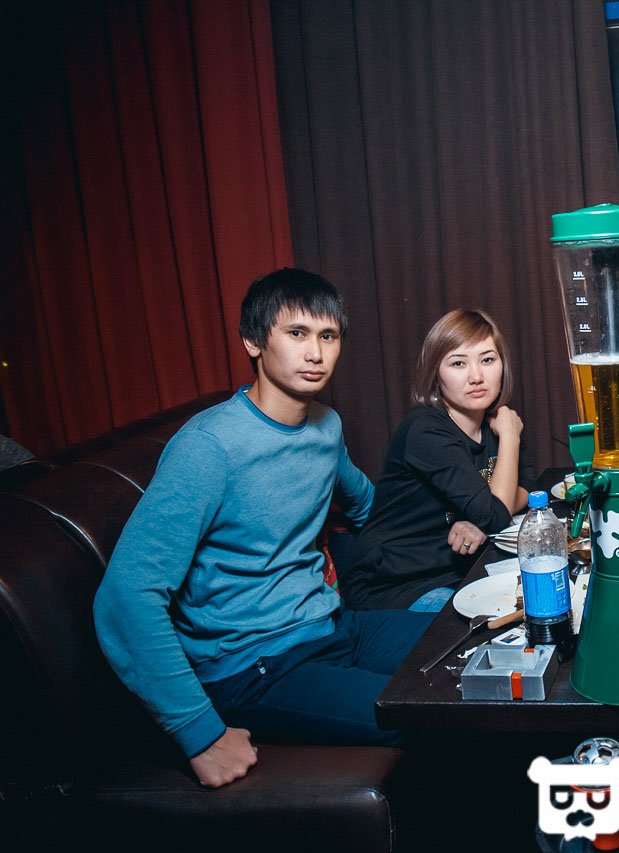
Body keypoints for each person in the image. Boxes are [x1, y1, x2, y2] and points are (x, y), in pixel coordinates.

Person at [94, 268, 432, 789]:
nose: (315, 353)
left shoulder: (325, 427)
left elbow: (369, 507)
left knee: (474, 649)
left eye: (328, 336)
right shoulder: (209, 447)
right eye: (297, 333)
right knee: (434, 712)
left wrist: (452, 536)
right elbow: (126, 596)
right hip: (253, 666)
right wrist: (200, 734)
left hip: (333, 626)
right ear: (253, 342)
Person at [341, 309, 535, 611]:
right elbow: (496, 514)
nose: (476, 376)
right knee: (482, 622)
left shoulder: (492, 425)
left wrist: (480, 519)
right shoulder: (426, 430)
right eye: (458, 363)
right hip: (393, 582)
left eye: (487, 360)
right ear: (436, 373)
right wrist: (511, 437)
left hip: (457, 572)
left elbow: (529, 488)